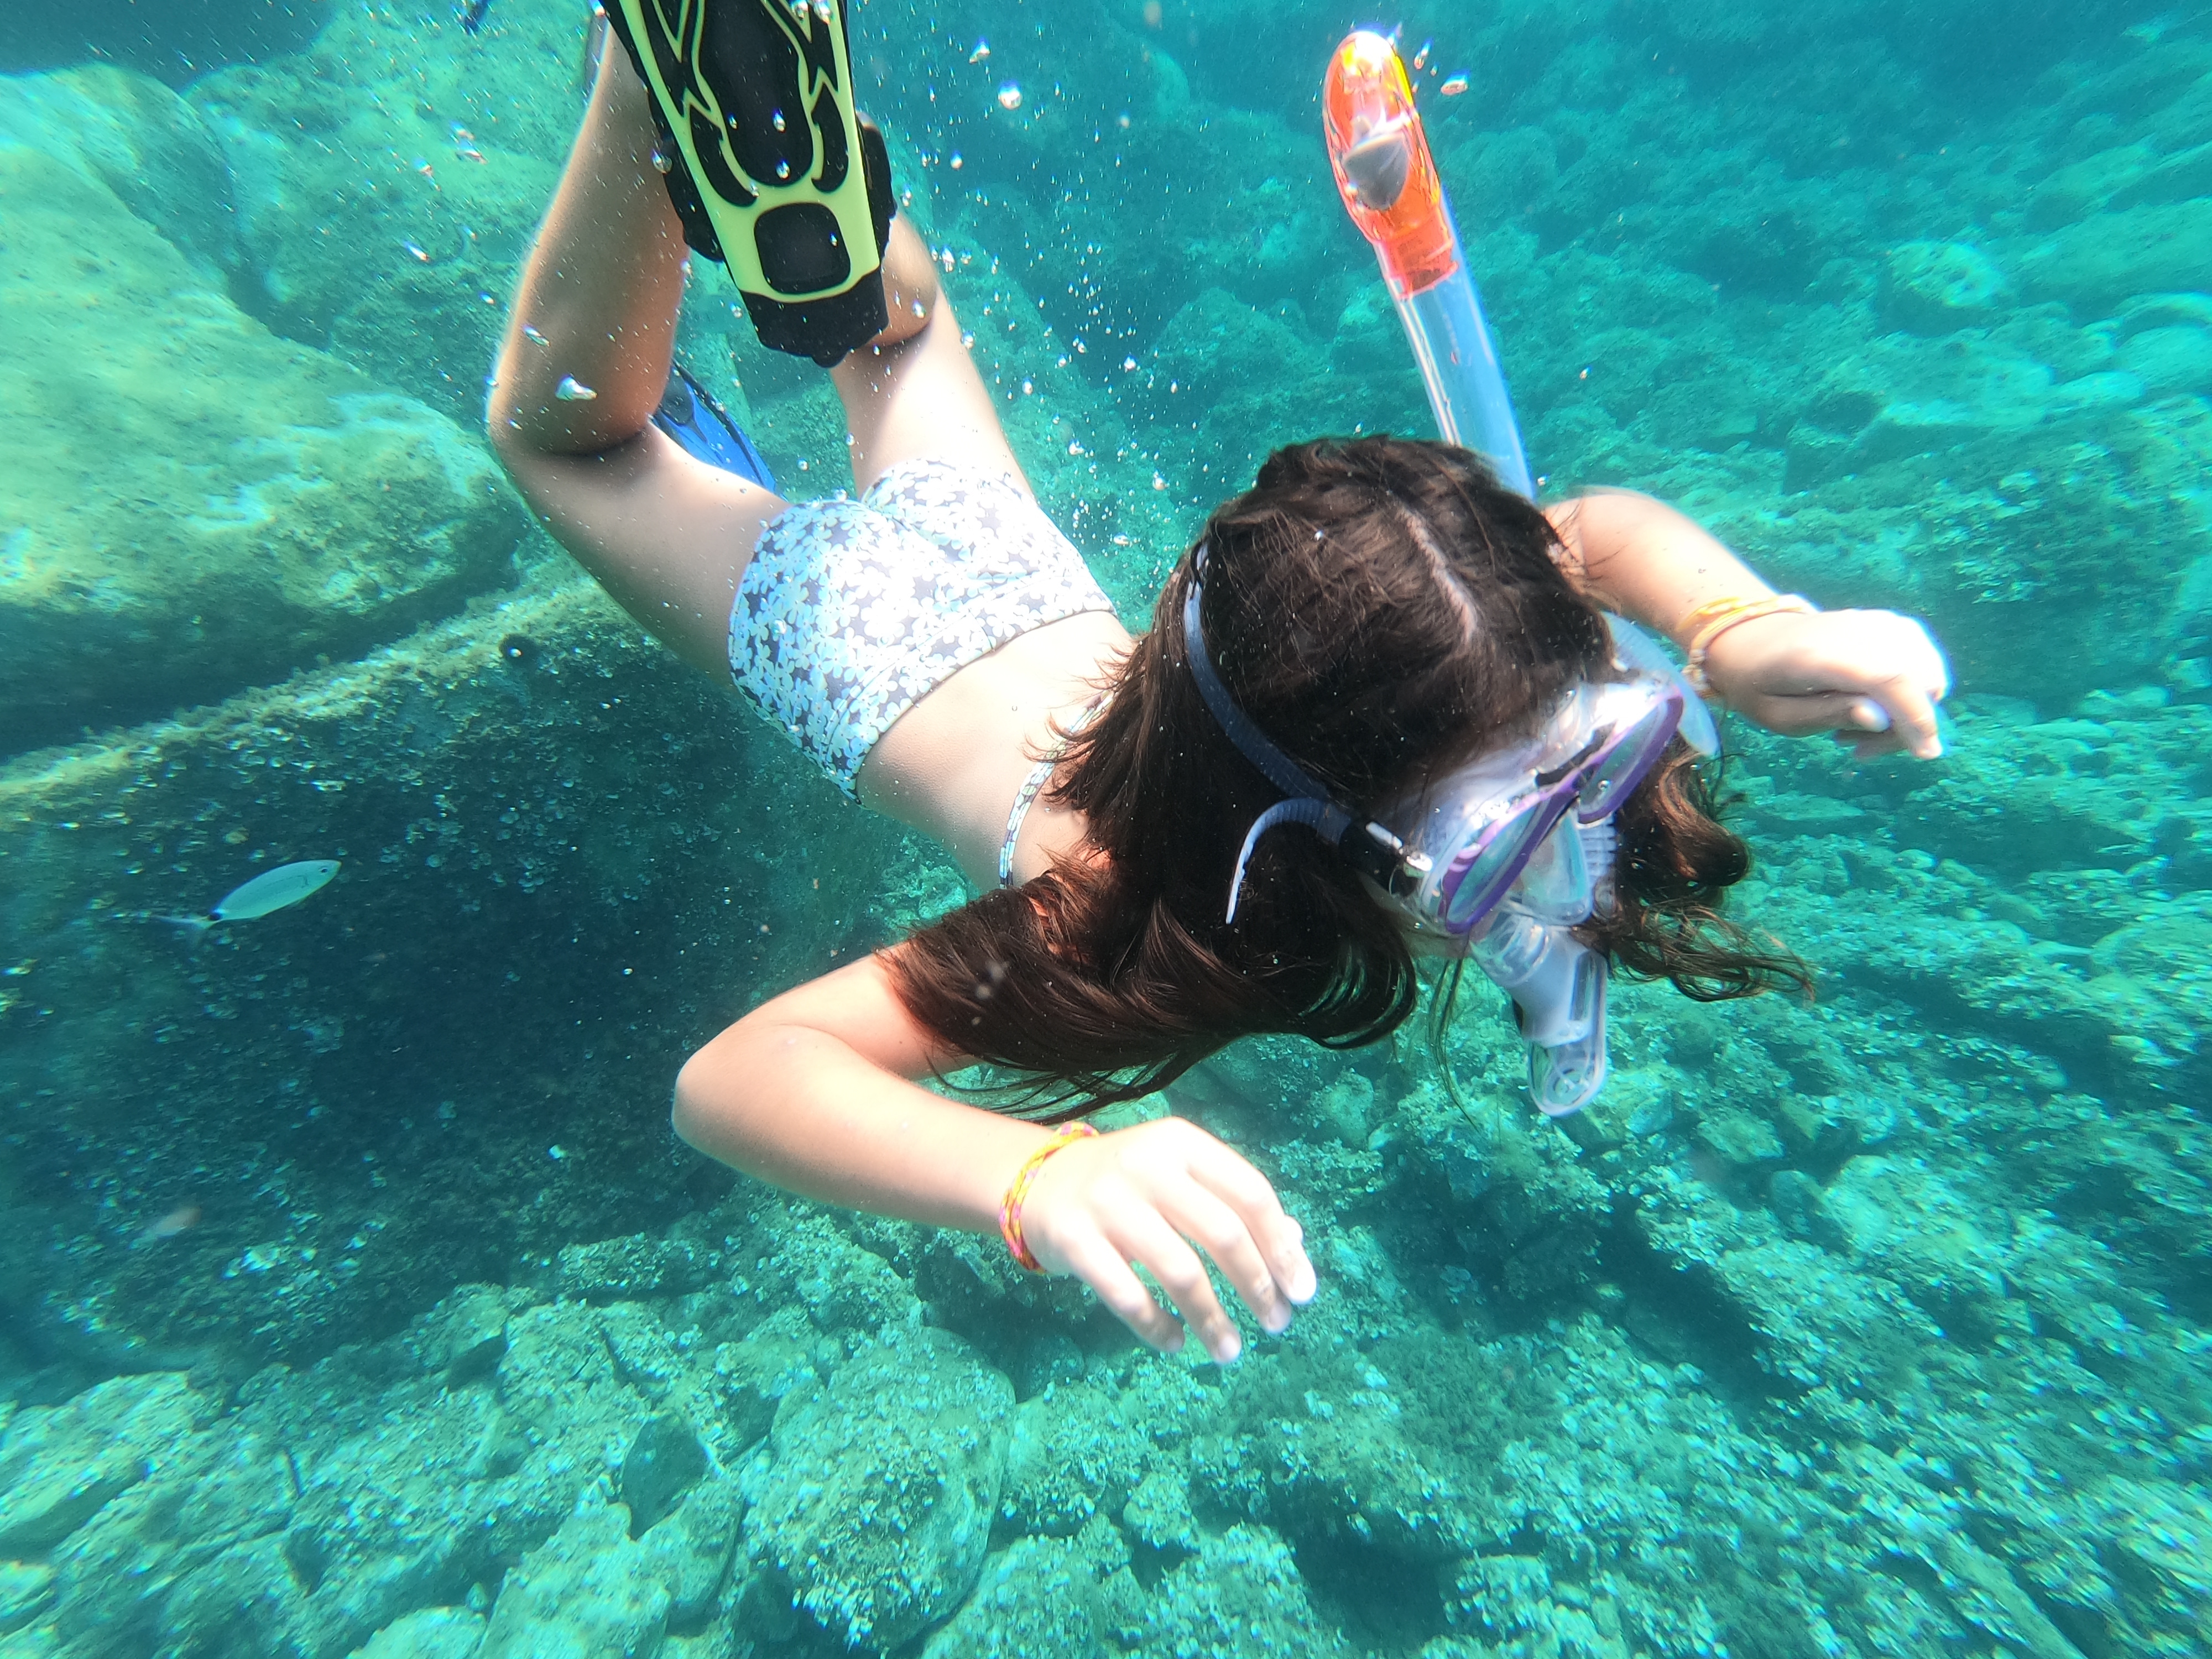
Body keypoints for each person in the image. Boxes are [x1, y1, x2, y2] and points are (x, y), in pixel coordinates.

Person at [488, 40, 1949, 1366]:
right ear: (1303, 834)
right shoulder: (1112, 916)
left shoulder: (1437, 657)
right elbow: (735, 1080)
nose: (1565, 866)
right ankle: (645, 85)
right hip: (858, 643)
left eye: (1594, 764)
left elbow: (1592, 535)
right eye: (1497, 845)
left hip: (1004, 572)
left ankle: (760, 128)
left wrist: (1741, 628)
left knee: (895, 337)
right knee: (572, 444)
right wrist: (1035, 1173)